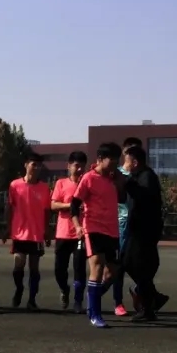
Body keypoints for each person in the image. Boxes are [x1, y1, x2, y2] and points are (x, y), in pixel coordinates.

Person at [71, 141, 122, 328]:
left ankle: (92, 299)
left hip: (112, 231)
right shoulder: (88, 178)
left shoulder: (114, 179)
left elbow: (123, 197)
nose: (115, 164)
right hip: (93, 228)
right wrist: (77, 226)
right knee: (97, 267)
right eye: (112, 161)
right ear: (100, 159)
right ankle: (95, 314)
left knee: (112, 273)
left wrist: (119, 180)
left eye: (117, 161)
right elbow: (74, 205)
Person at [121, 144, 169, 322]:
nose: (124, 164)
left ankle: (147, 308)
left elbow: (144, 197)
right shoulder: (138, 176)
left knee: (139, 265)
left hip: (145, 230)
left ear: (134, 162)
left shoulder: (147, 176)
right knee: (128, 262)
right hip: (137, 228)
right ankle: (153, 297)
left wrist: (125, 182)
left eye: (126, 161)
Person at [5, 152, 52, 310]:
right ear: (26, 165)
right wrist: (7, 227)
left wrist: (47, 230)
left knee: (34, 267)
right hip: (19, 233)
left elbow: (47, 211)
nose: (36, 168)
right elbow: (9, 207)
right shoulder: (15, 185)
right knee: (19, 263)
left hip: (36, 234)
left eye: (39, 165)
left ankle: (32, 299)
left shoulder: (44, 188)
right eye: (34, 164)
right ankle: (19, 289)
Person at [50, 151, 88, 313]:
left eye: (82, 166)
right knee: (59, 269)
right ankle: (64, 289)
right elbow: (53, 205)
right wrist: (71, 206)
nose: (79, 169)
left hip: (81, 233)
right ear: (69, 166)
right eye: (76, 166)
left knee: (79, 268)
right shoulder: (61, 183)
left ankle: (78, 301)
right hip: (63, 233)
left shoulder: (87, 184)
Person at [111, 136, 143, 317]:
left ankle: (141, 293)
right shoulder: (116, 174)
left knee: (142, 263)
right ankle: (118, 302)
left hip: (138, 225)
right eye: (131, 150)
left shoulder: (143, 175)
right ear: (124, 152)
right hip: (120, 223)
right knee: (120, 265)